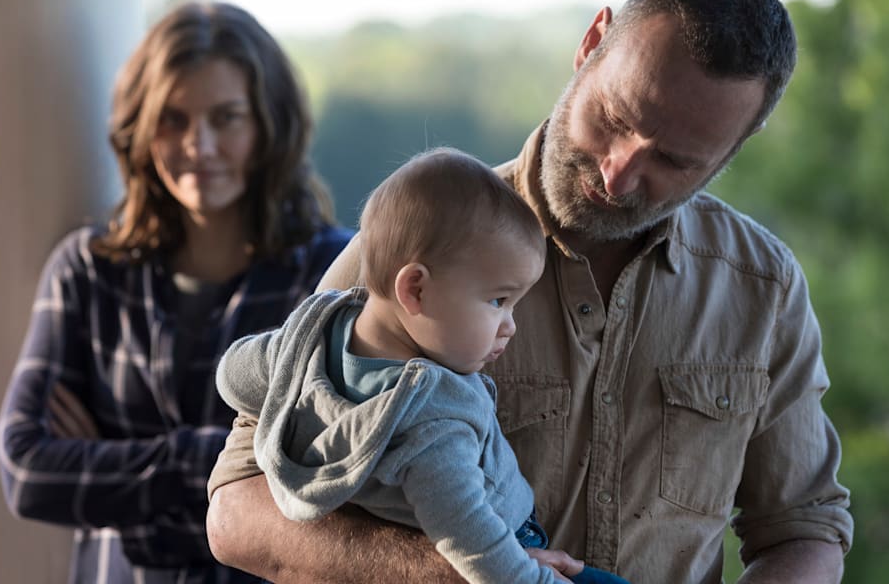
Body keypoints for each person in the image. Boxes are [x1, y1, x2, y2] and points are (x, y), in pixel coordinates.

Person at [204, 0, 854, 583]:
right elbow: (237, 512)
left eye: (674, 161)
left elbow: (805, 528)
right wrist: (452, 570)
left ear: (741, 142)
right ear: (591, 43)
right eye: (615, 118)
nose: (618, 174)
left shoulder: (762, 288)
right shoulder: (419, 242)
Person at [0, 1, 352, 584]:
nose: (199, 145)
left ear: (268, 123)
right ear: (141, 125)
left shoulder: (331, 276)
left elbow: (337, 483)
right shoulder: (87, 272)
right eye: (174, 119)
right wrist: (232, 465)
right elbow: (28, 473)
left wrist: (119, 483)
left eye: (226, 117)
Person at [214, 148, 628, 583]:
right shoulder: (434, 422)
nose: (510, 327)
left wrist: (293, 390)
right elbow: (476, 545)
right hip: (512, 549)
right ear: (415, 289)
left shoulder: (313, 334)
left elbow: (232, 376)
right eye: (497, 301)